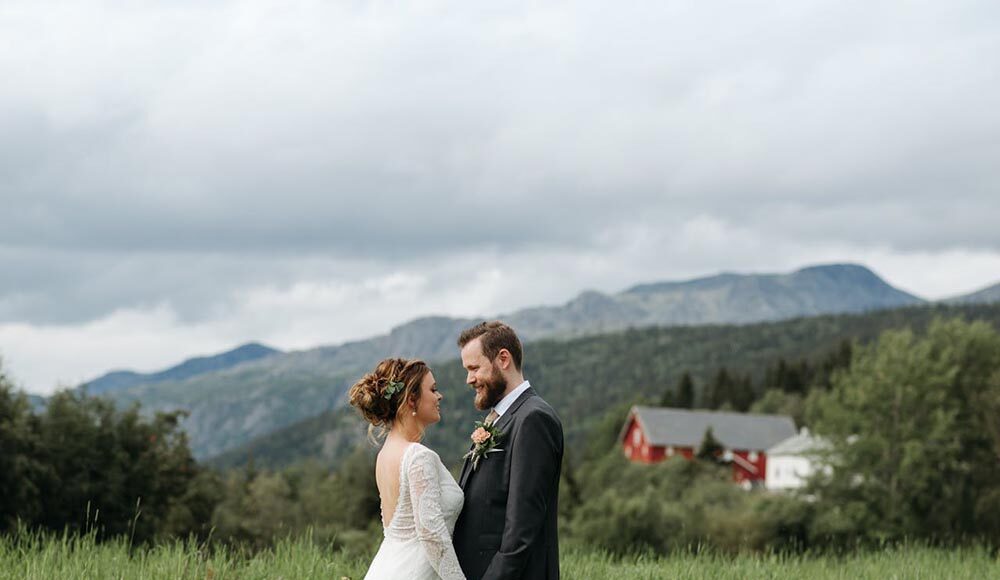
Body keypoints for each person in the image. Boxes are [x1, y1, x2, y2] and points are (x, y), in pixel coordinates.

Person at [452, 321, 564, 580]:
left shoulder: (533, 419)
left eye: (474, 368)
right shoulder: (501, 418)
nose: (469, 379)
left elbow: (521, 528)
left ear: (503, 359)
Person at [348, 358, 466, 580]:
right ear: (412, 399)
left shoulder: (384, 455)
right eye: (433, 390)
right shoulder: (418, 457)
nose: (439, 396)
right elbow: (431, 534)